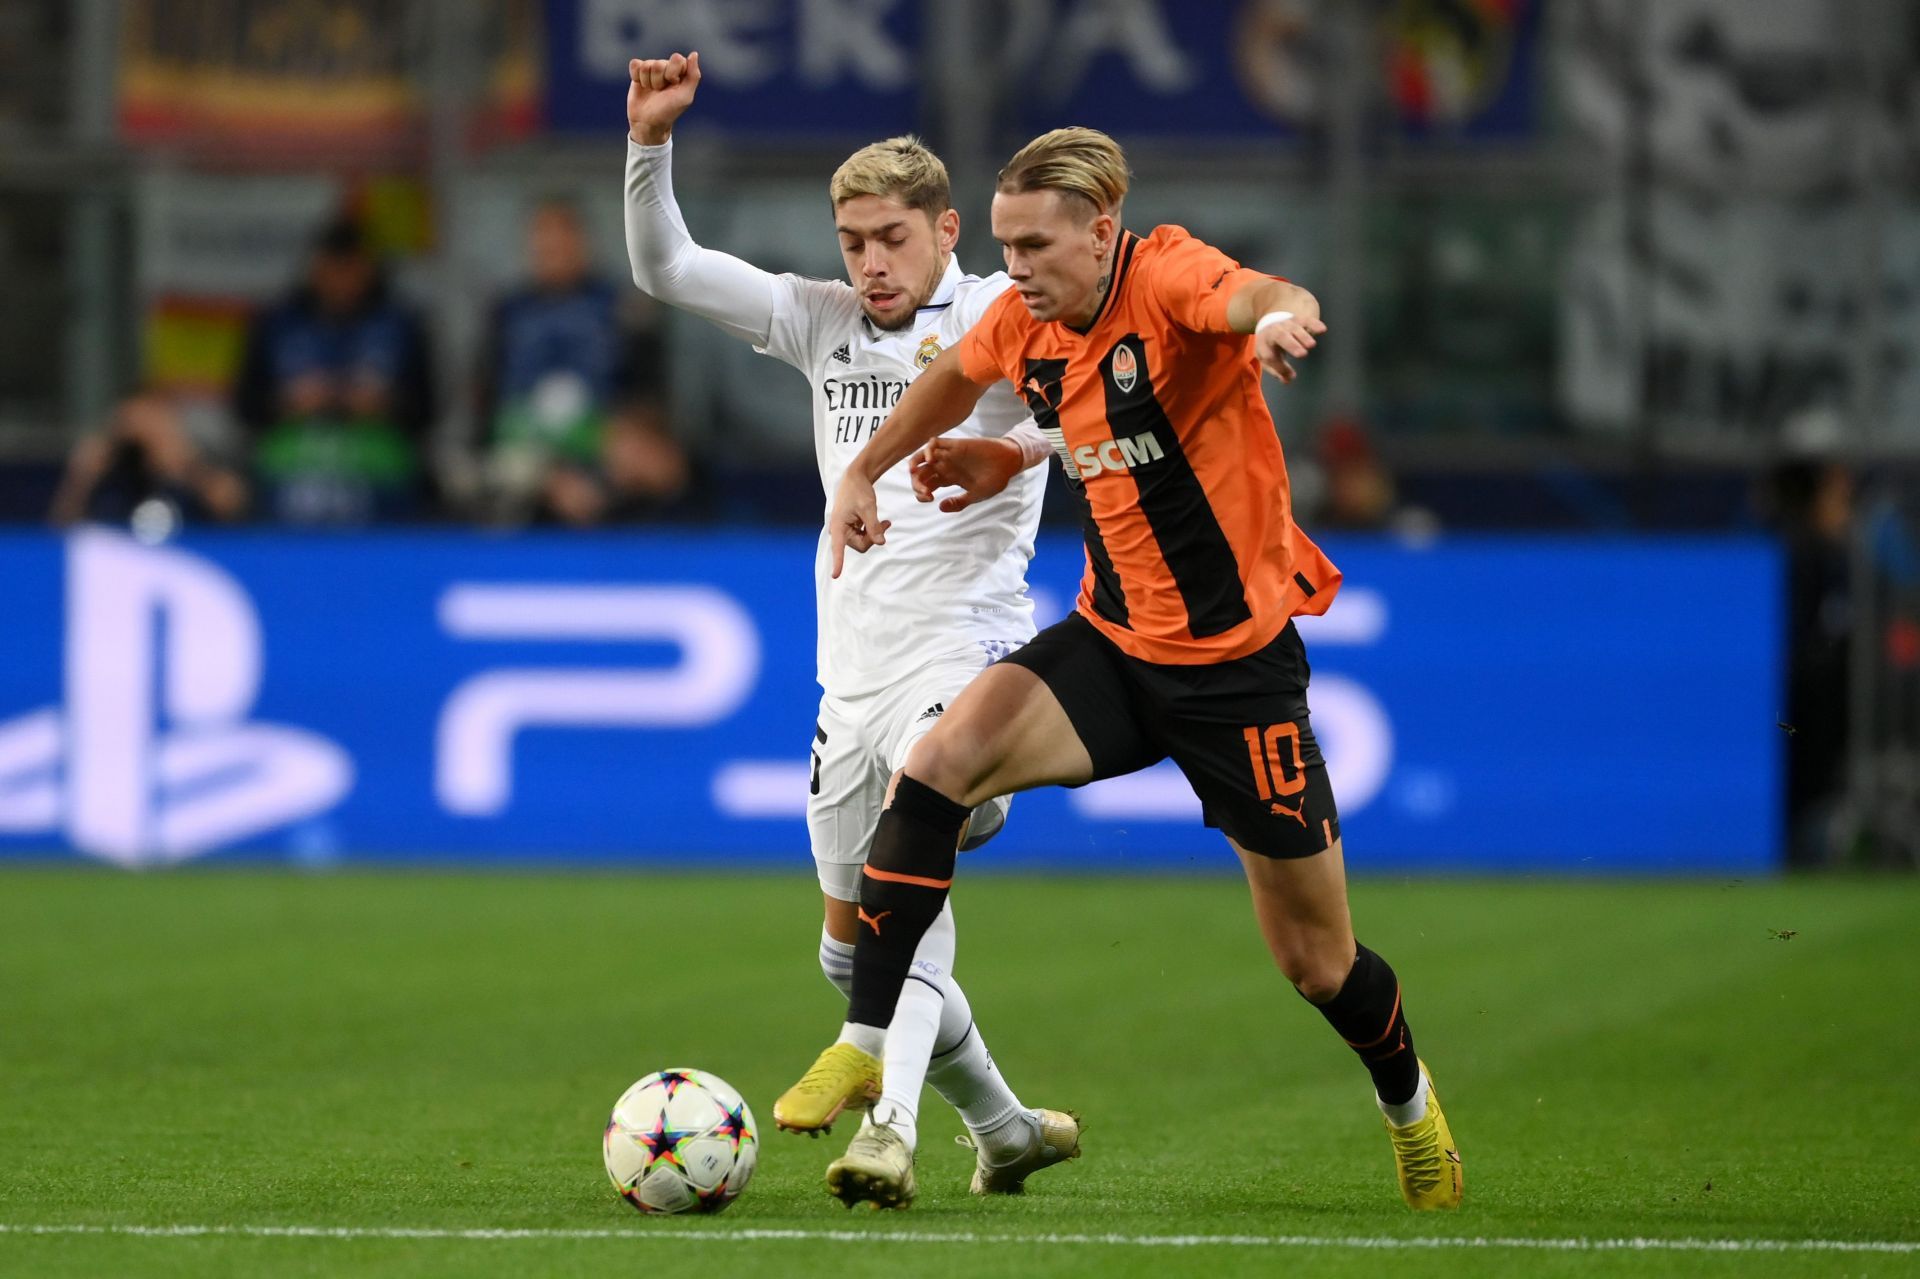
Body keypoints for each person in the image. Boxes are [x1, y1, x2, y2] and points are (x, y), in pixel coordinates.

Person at [783, 127, 1463, 1212]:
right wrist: (864, 468)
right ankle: (868, 1040)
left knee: (1317, 963)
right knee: (935, 765)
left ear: (1102, 233)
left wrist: (1281, 316)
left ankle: (1409, 1105)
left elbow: (1252, 295)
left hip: (1235, 677)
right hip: (1110, 646)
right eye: (1004, 247)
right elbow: (955, 379)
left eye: (1037, 247)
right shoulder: (1027, 320)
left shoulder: (1169, 280)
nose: (1016, 270)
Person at [622, 51, 1078, 1207]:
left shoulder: (1000, 315)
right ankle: (1010, 1125)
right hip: (851, 680)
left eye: (890, 238)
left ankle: (889, 1129)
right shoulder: (818, 323)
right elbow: (666, 265)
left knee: (910, 873)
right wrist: (649, 145)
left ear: (946, 229)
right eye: (852, 240)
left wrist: (1014, 450)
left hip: (968, 657)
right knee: (848, 947)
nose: (868, 262)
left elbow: (1113, 412)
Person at [476, 199, 684, 526]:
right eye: (542, 238)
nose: (552, 247)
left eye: (562, 237)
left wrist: (624, 434)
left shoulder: (621, 307)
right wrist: (550, 471)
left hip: (602, 437)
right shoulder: (507, 311)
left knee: (663, 467)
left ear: (583, 241)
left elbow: (651, 395)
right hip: (523, 441)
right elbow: (483, 404)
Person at [232, 217, 436, 525]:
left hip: (380, 471)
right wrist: (288, 403)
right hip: (290, 465)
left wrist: (384, 405)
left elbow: (428, 409)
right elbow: (245, 406)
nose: (341, 280)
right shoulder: (277, 322)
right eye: (332, 268)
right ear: (316, 267)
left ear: (367, 268)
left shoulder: (401, 323)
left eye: (350, 268)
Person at [50, 388, 248, 530]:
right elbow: (61, 529)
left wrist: (185, 467)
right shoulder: (111, 476)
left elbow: (232, 509)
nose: (143, 435)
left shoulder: (194, 468)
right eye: (132, 425)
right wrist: (81, 479)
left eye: (153, 427)